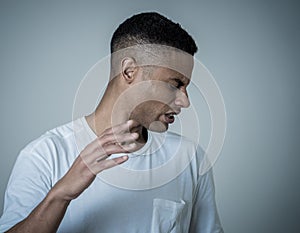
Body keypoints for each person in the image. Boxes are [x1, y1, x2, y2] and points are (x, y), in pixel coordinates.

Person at [0, 12, 223, 233]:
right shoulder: (44, 155)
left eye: (186, 87)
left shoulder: (190, 158)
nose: (184, 101)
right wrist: (61, 195)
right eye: (174, 84)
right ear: (129, 71)